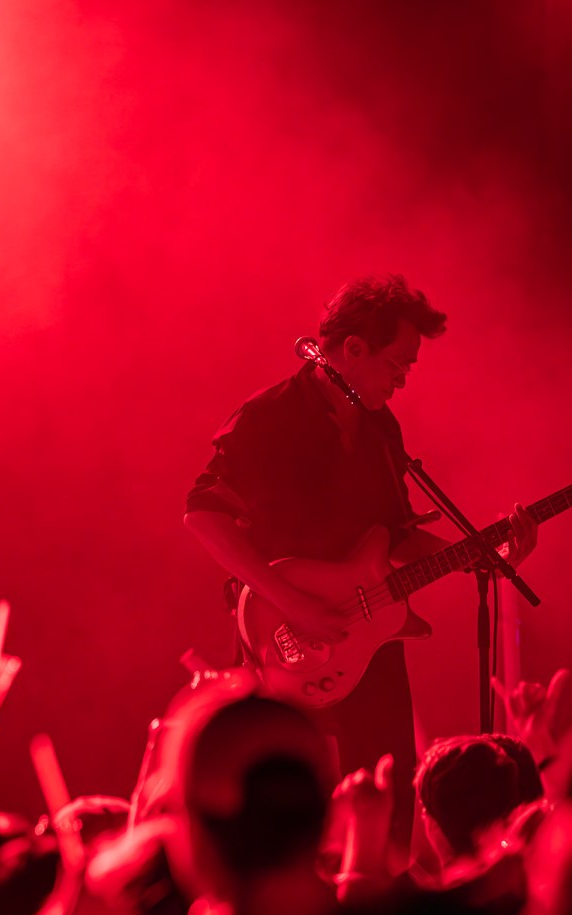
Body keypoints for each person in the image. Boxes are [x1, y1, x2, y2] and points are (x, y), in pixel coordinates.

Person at [184, 275, 537, 855]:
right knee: (286, 812)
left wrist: (486, 557)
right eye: (397, 363)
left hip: (369, 643)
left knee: (389, 795)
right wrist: (295, 602)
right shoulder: (268, 418)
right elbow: (203, 515)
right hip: (282, 642)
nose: (403, 379)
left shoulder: (381, 427)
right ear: (352, 349)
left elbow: (396, 539)